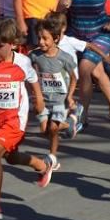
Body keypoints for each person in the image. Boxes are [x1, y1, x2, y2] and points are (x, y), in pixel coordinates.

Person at [0, 18, 50, 220]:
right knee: (11, 157)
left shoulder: (22, 62)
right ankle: (41, 165)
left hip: (15, 121)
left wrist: (39, 101)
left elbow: (33, 80)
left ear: (12, 43)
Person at [29, 18, 78, 167]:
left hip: (59, 100)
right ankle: (69, 123)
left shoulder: (64, 58)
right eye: (39, 38)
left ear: (55, 38)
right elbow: (30, 75)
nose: (41, 42)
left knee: (53, 128)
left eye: (45, 38)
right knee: (45, 130)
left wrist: (69, 97)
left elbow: (74, 78)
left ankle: (52, 157)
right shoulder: (35, 56)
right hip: (44, 99)